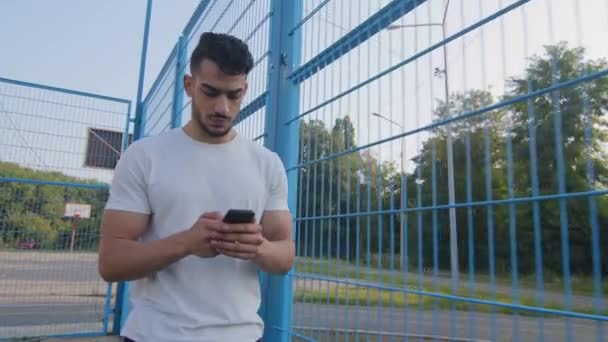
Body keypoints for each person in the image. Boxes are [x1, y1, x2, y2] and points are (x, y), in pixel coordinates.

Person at [98, 32, 295, 342]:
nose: (223, 108)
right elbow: (111, 263)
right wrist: (186, 243)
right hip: (155, 335)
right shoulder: (144, 156)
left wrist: (258, 247)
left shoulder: (267, 164)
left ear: (244, 90)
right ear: (189, 85)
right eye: (210, 92)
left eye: (233, 95)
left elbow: (284, 258)